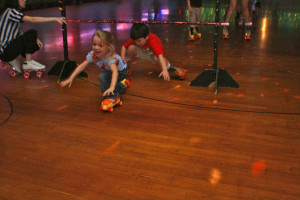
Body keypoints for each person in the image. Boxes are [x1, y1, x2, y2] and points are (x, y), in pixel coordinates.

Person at [60, 30, 129, 111]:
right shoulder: (93, 55)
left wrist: (112, 87)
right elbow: (82, 66)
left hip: (121, 72)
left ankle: (113, 97)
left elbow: (115, 72)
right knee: (105, 77)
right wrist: (70, 78)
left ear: (108, 48)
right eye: (94, 44)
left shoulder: (109, 56)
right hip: (112, 73)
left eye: (100, 45)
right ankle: (121, 85)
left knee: (102, 76)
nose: (96, 47)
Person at [0, 0, 66, 74]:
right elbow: (32, 19)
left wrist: (35, 39)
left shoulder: (12, 13)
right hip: (5, 52)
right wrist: (55, 18)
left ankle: (14, 60)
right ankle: (28, 63)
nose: (25, 0)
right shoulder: (11, 11)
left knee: (35, 43)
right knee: (32, 32)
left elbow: (20, 33)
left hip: (8, 51)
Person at [121, 23, 186, 81]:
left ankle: (170, 68)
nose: (136, 43)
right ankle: (125, 67)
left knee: (156, 58)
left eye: (139, 41)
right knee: (131, 48)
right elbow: (124, 47)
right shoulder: (138, 37)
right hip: (146, 51)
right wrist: (123, 58)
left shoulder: (153, 41)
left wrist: (164, 70)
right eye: (135, 41)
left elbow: (160, 55)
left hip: (154, 55)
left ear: (146, 37)